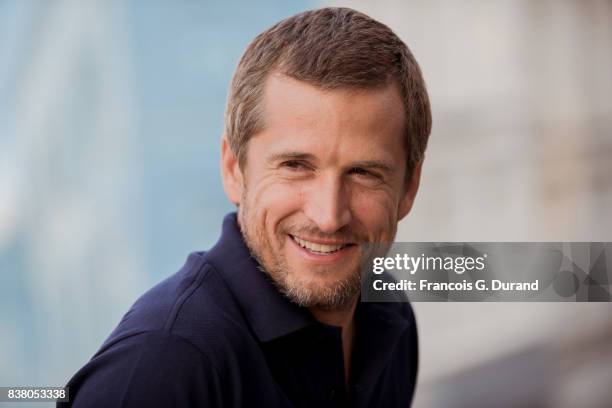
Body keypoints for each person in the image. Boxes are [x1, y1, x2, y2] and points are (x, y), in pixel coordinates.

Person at [59, 7, 431, 408]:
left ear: (409, 187)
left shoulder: (387, 314)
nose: (328, 215)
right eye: (295, 166)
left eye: (363, 173)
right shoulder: (164, 364)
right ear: (234, 170)